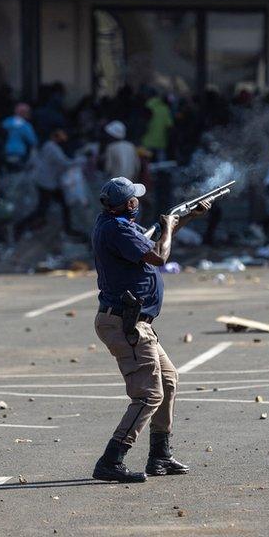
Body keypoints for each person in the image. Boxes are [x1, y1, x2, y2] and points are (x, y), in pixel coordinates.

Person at [90, 177, 210, 483]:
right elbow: (159, 256)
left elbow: (151, 248)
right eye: (136, 199)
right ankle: (111, 460)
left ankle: (160, 455)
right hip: (126, 323)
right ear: (130, 204)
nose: (139, 202)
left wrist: (183, 220)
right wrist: (169, 225)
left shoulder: (114, 225)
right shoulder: (117, 229)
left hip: (134, 322)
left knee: (168, 381)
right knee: (148, 395)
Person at [16, 128, 80, 236]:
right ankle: (20, 226)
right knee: (42, 209)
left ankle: (68, 228)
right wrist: (80, 160)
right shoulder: (52, 148)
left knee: (64, 204)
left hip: (48, 182)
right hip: (47, 183)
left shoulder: (48, 145)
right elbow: (64, 163)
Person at [1, 102, 38, 170]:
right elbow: (32, 141)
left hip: (5, 151)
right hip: (19, 153)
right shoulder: (25, 126)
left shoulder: (6, 122)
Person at [140, 93, 173, 161]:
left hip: (147, 138)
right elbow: (169, 124)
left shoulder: (149, 104)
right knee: (161, 159)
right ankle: (161, 170)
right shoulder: (165, 109)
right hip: (161, 140)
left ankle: (145, 169)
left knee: (145, 159)